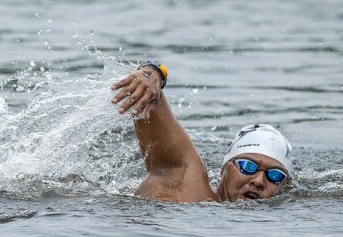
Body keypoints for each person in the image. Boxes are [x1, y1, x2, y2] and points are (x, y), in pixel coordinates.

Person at [111, 58, 293, 203]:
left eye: (275, 176)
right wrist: (154, 71)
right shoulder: (186, 183)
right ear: (224, 170)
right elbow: (150, 96)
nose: (259, 181)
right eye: (248, 166)